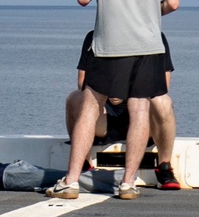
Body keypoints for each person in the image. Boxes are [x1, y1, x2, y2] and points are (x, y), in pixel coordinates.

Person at [47, 0, 179, 200]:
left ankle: (73, 180)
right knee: (140, 110)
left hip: (110, 41)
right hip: (148, 41)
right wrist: (146, 13)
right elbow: (173, 2)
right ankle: (129, 183)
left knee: (91, 106)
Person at [66, 30, 181, 189]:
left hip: (142, 114)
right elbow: (82, 82)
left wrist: (125, 92)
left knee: (163, 101)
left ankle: (164, 168)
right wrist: (107, 93)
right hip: (105, 117)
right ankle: (84, 165)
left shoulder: (155, 36)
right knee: (75, 99)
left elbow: (164, 84)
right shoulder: (95, 36)